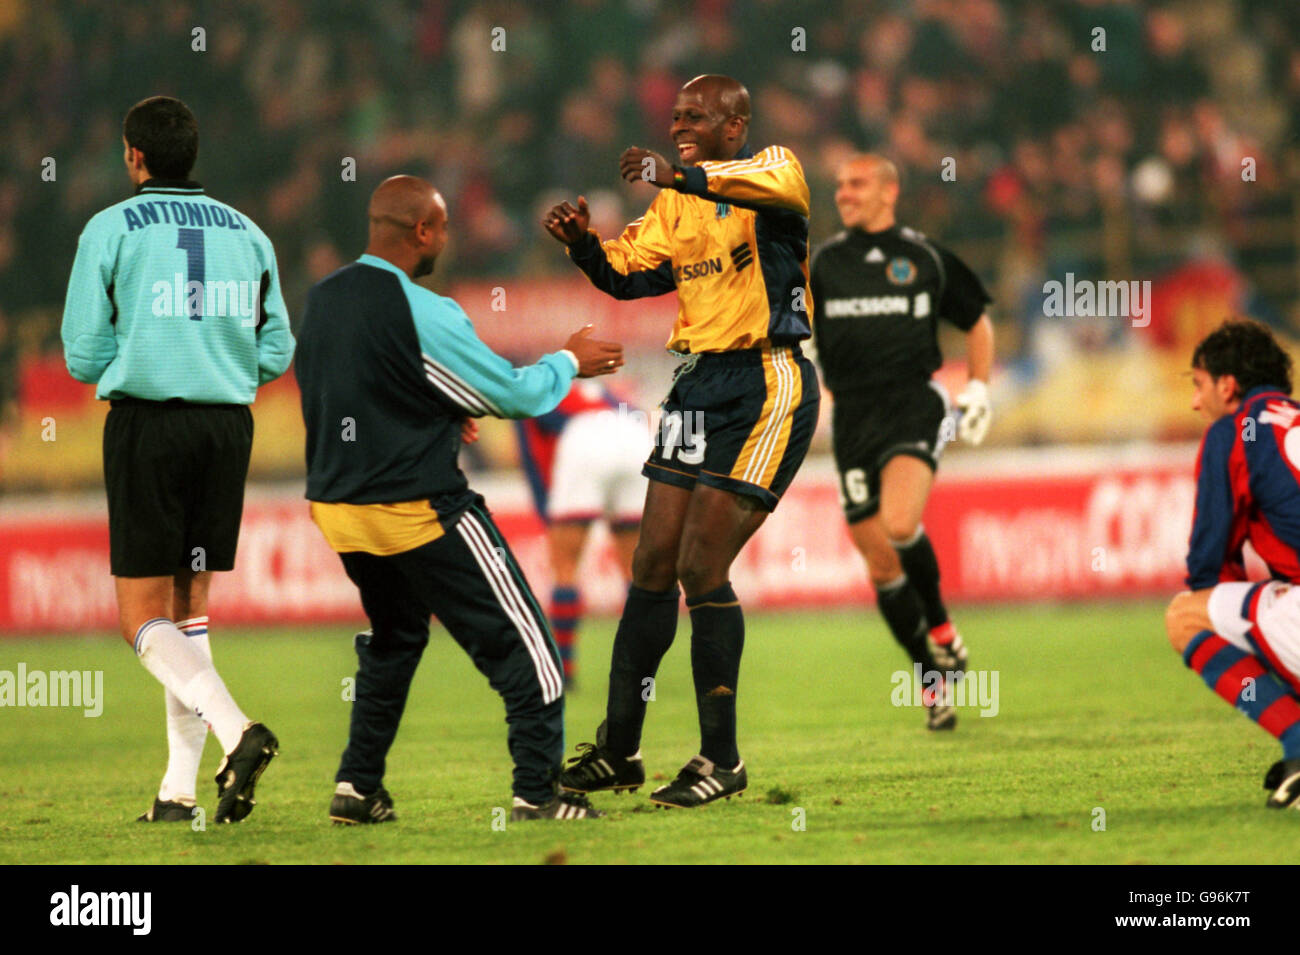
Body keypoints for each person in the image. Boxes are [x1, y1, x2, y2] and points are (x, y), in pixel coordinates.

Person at [296, 175, 623, 823]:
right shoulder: (424, 309)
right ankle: (539, 792)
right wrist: (568, 360)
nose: (446, 239)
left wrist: (438, 416)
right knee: (532, 654)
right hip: (416, 504)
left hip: (337, 509)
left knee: (394, 638)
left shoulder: (324, 298)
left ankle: (358, 786)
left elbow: (346, 393)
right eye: (442, 227)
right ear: (422, 231)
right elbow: (516, 394)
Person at [543, 74, 820, 808]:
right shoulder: (673, 205)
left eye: (696, 116)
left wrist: (681, 174)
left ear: (737, 123)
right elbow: (628, 277)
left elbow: (770, 189)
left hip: (767, 380)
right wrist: (583, 248)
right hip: (698, 383)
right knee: (652, 561)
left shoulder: (776, 170)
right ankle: (621, 747)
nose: (679, 126)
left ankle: (721, 759)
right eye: (675, 117)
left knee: (702, 564)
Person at [61, 96, 293, 824]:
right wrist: (217, 369)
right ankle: (177, 791)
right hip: (225, 427)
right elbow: (278, 347)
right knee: (189, 608)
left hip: (149, 425)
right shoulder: (249, 232)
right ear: (193, 154)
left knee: (139, 616)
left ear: (134, 155)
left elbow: (80, 353)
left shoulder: (108, 229)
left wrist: (147, 359)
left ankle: (239, 732)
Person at [810, 154, 993, 730]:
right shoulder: (824, 265)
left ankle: (940, 623)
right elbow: (799, 328)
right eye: (839, 185)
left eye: (856, 183)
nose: (844, 193)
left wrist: (979, 390)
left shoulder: (925, 257)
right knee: (881, 564)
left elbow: (977, 322)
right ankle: (932, 682)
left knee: (897, 523)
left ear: (889, 192)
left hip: (918, 403)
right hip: (853, 418)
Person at [1165, 319, 1300, 809]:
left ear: (1228, 385)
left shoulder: (1234, 431)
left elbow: (1208, 562)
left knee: (1186, 615)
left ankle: (1299, 746)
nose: (1196, 401)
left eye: (1199, 385)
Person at [514, 380, 650, 687]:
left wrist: (546, 509)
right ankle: (640, 669)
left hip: (586, 439)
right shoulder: (603, 390)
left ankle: (563, 667)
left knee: (565, 568)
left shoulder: (532, 391)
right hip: (634, 433)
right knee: (634, 570)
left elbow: (532, 456)